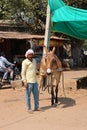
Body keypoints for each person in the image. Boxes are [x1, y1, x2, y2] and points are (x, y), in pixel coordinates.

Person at [21, 49, 40, 113]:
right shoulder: (25, 62)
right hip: (28, 82)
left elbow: (35, 70)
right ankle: (29, 109)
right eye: (29, 54)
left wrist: (39, 73)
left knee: (36, 95)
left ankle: (36, 107)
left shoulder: (34, 61)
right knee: (28, 96)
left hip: (35, 81)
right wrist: (24, 81)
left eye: (32, 54)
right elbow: (23, 73)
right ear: (27, 55)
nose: (31, 55)